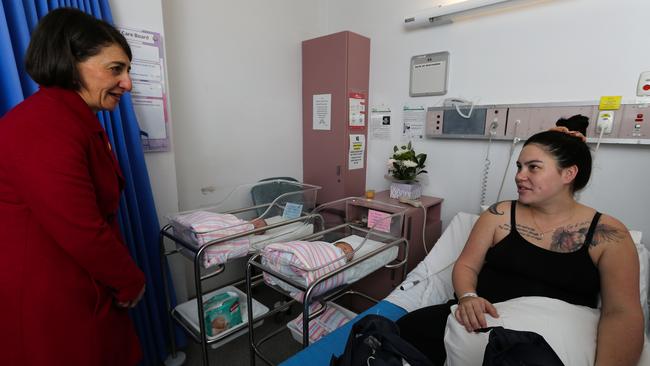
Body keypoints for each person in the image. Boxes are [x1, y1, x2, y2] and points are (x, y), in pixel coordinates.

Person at [397, 126, 644, 366]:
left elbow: (621, 313)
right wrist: (468, 297)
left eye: (533, 167)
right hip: (480, 322)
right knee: (397, 331)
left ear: (568, 174)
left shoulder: (609, 235)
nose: (519, 176)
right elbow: (466, 266)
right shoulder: (499, 214)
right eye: (519, 166)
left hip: (552, 340)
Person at [0, 8, 146, 366]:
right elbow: (80, 227)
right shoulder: (42, 125)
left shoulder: (74, 121)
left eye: (128, 71)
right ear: (70, 63)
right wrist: (131, 280)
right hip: (52, 295)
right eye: (116, 69)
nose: (127, 83)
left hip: (81, 283)